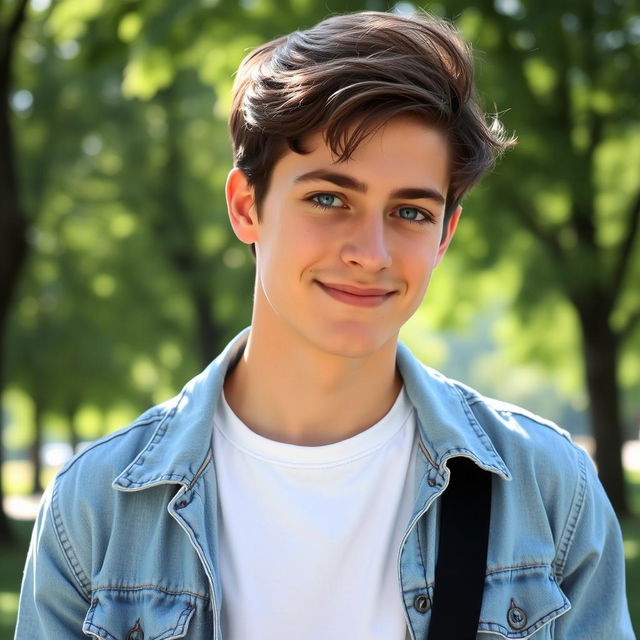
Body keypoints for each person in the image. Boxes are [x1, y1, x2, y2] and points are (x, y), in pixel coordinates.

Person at [15, 10, 634, 640]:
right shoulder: (95, 510)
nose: (372, 252)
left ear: (446, 234)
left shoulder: (549, 490)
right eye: (329, 199)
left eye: (411, 212)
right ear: (246, 207)